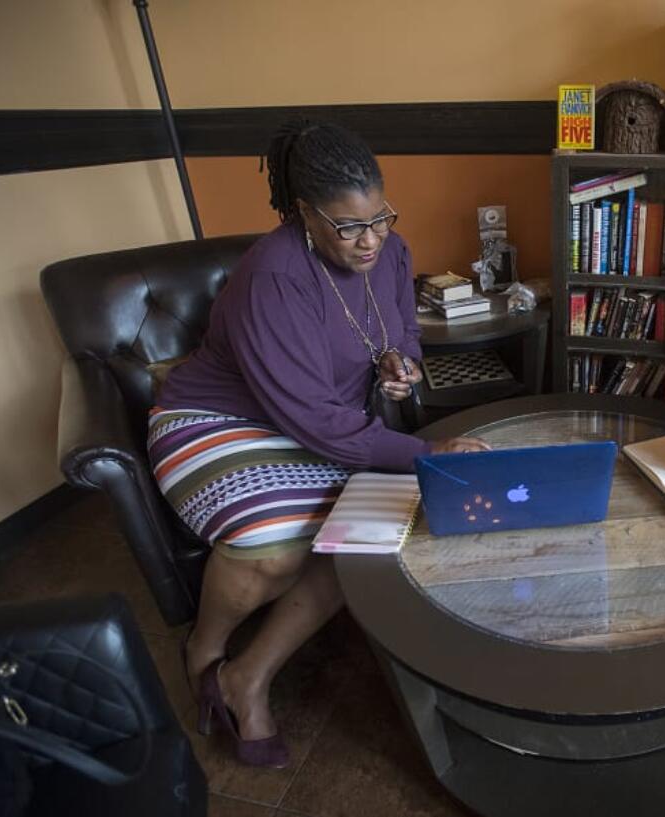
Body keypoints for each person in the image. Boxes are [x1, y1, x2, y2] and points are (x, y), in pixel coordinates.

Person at [148, 120, 488, 768]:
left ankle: (248, 674)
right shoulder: (273, 276)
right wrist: (423, 454)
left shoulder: (392, 252)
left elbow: (400, 332)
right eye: (349, 226)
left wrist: (398, 361)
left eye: (380, 217)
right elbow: (314, 420)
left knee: (366, 530)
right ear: (303, 212)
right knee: (274, 550)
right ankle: (205, 645)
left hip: (310, 420)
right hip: (214, 421)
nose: (372, 239)